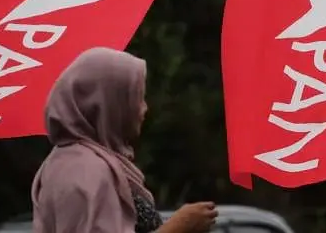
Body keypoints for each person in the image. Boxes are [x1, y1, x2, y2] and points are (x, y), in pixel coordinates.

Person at [31, 47, 217, 233]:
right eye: (135, 97)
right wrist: (178, 228)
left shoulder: (76, 162)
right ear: (108, 103)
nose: (144, 108)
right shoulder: (84, 171)